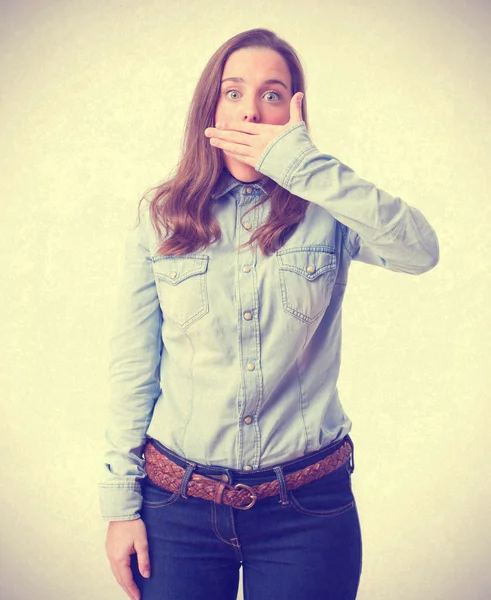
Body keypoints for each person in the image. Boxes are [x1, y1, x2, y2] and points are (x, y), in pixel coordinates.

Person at [99, 27, 439, 600]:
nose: (251, 112)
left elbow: (420, 251)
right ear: (210, 106)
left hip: (306, 512)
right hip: (175, 509)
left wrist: (304, 165)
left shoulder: (329, 211)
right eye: (234, 92)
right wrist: (118, 505)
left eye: (272, 94)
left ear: (294, 113)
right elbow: (133, 370)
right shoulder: (161, 217)